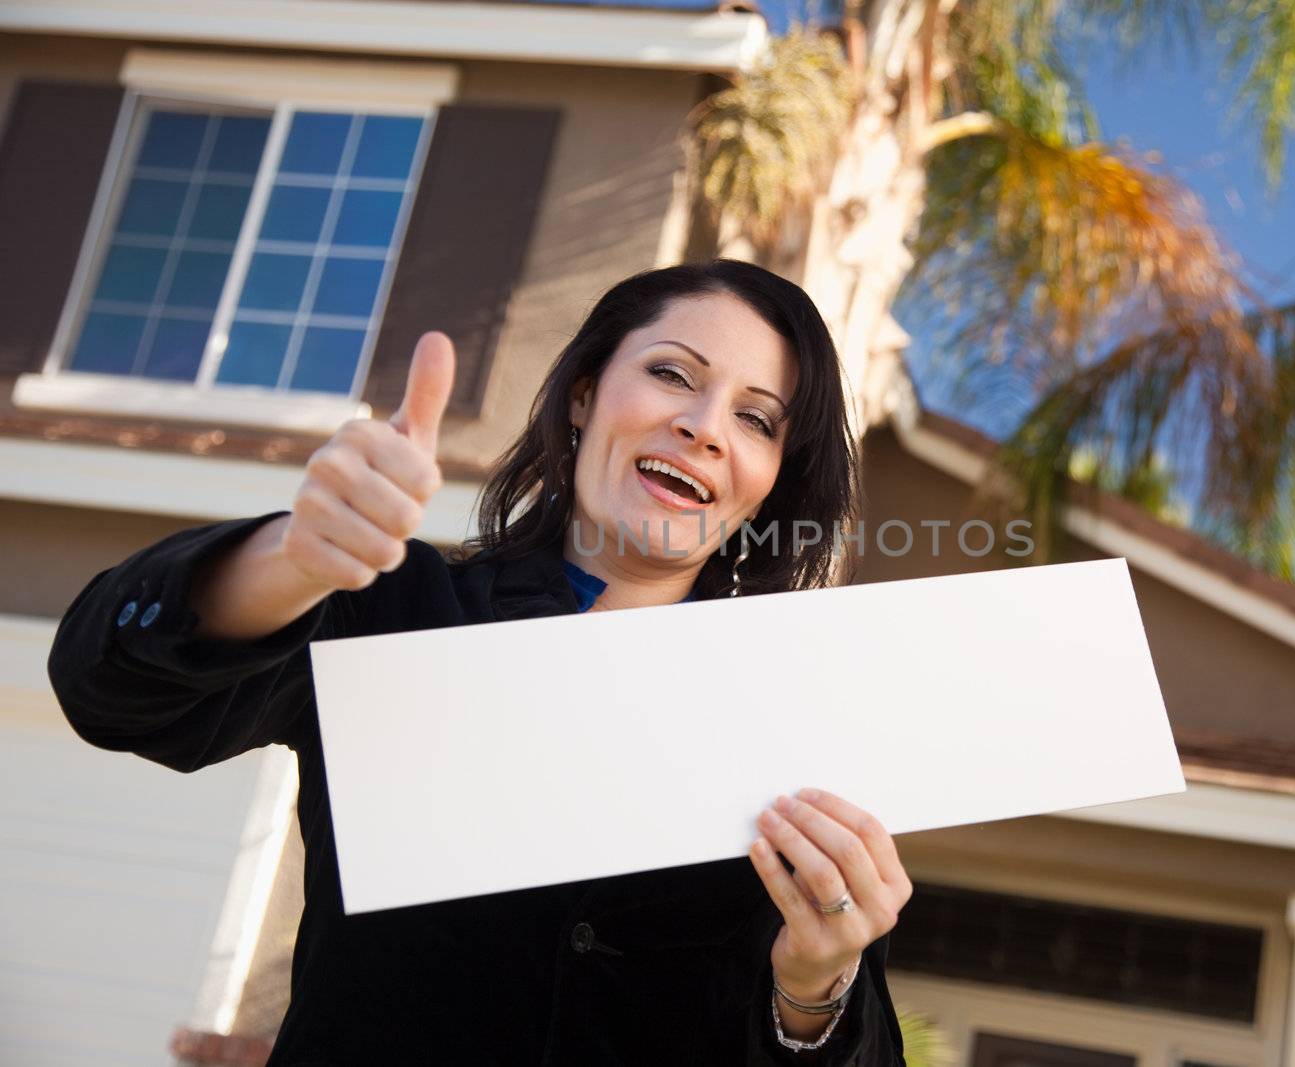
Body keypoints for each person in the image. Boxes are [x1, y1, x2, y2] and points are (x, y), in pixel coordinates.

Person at [47, 259, 912, 1065]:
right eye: (673, 373)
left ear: (772, 480)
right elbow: (110, 690)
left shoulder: (787, 717)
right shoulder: (399, 607)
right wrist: (292, 559)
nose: (703, 426)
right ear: (583, 395)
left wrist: (814, 989)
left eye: (756, 418)